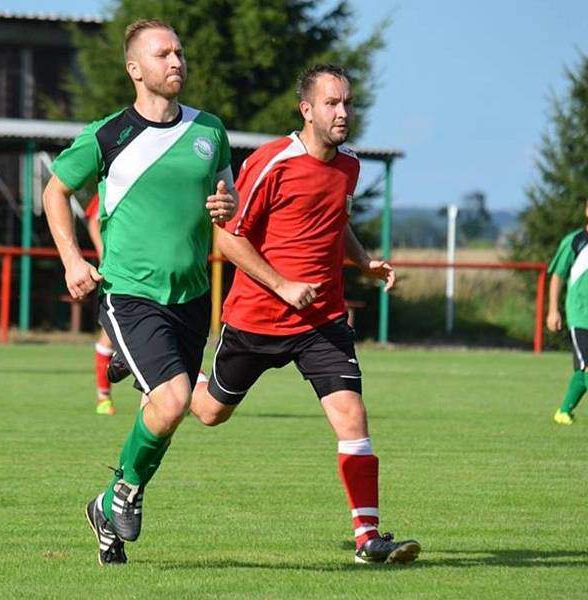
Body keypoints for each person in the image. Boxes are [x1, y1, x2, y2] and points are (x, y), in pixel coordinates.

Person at [187, 64, 421, 564]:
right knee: (209, 413)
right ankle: (164, 377)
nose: (343, 112)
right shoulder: (271, 162)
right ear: (307, 110)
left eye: (348, 103)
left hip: (322, 321)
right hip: (256, 319)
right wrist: (282, 285)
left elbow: (335, 222)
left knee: (352, 415)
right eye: (333, 103)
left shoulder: (350, 166)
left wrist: (362, 260)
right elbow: (229, 237)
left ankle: (368, 539)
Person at [42, 19, 238, 565]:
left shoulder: (210, 131)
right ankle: (123, 491)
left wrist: (228, 208)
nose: (176, 61)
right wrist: (71, 259)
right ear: (135, 69)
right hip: (128, 292)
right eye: (163, 54)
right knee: (175, 400)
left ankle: (107, 505)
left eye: (179, 51)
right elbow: (55, 192)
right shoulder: (107, 135)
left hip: (192, 297)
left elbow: (231, 202)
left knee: (173, 410)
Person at [547, 198, 588, 425]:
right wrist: (553, 310)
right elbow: (558, 275)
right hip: (581, 315)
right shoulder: (575, 242)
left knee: (582, 372)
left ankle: (563, 411)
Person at [84, 193, 117, 416]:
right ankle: (103, 397)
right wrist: (104, 252)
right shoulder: (118, 175)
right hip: (121, 270)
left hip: (155, 268)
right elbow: (93, 219)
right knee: (109, 334)